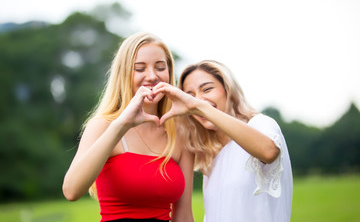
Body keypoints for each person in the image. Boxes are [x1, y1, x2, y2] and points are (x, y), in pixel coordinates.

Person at [62, 32, 194, 222]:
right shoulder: (103, 126)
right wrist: (121, 125)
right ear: (124, 74)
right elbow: (71, 190)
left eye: (160, 67)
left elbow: (184, 215)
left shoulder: (179, 133)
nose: (152, 76)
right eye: (140, 68)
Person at [152, 60, 293, 222]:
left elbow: (269, 151)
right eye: (189, 97)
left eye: (207, 89)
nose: (198, 100)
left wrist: (199, 105)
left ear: (228, 89)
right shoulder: (210, 158)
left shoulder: (260, 124)